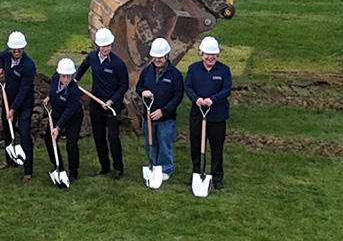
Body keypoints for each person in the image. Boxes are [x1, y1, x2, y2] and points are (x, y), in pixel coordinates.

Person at [76, 27, 130, 179]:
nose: (105, 49)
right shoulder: (92, 57)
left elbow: (124, 85)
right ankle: (104, 166)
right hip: (96, 104)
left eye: (108, 46)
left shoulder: (118, 64)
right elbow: (83, 66)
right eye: (103, 46)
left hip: (112, 107)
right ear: (97, 46)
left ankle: (118, 168)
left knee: (113, 137)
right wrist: (75, 79)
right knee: (99, 137)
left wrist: (112, 100)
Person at [185, 35, 233, 190]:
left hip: (217, 115)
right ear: (202, 54)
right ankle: (197, 173)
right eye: (207, 54)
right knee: (196, 146)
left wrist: (213, 99)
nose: (210, 57)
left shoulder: (224, 70)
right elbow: (188, 87)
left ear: (217, 55)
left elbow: (226, 89)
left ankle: (217, 177)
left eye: (213, 54)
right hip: (198, 114)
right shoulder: (193, 69)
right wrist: (196, 99)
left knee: (216, 147)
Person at [137, 37, 184, 181]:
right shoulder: (146, 71)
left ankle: (165, 169)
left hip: (166, 118)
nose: (157, 60)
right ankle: (153, 164)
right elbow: (139, 87)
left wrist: (163, 111)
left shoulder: (175, 75)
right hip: (149, 115)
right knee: (151, 142)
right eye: (155, 57)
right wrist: (143, 92)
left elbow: (178, 97)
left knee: (164, 143)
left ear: (166, 56)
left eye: (160, 57)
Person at [0, 30, 37, 181]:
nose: (17, 52)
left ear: (23, 48)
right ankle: (10, 160)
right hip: (8, 99)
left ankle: (28, 171)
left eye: (19, 49)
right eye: (14, 49)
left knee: (25, 134)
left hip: (24, 104)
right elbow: (0, 57)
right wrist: (1, 68)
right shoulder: (6, 56)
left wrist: (13, 109)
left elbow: (23, 90)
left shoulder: (28, 66)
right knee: (7, 130)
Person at [47, 58, 83, 183]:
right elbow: (53, 91)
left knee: (71, 144)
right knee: (49, 140)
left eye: (69, 77)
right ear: (58, 74)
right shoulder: (55, 79)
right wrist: (49, 97)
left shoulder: (74, 92)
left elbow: (68, 112)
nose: (66, 80)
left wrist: (57, 127)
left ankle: (74, 171)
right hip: (57, 113)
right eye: (63, 76)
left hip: (73, 117)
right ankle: (58, 165)